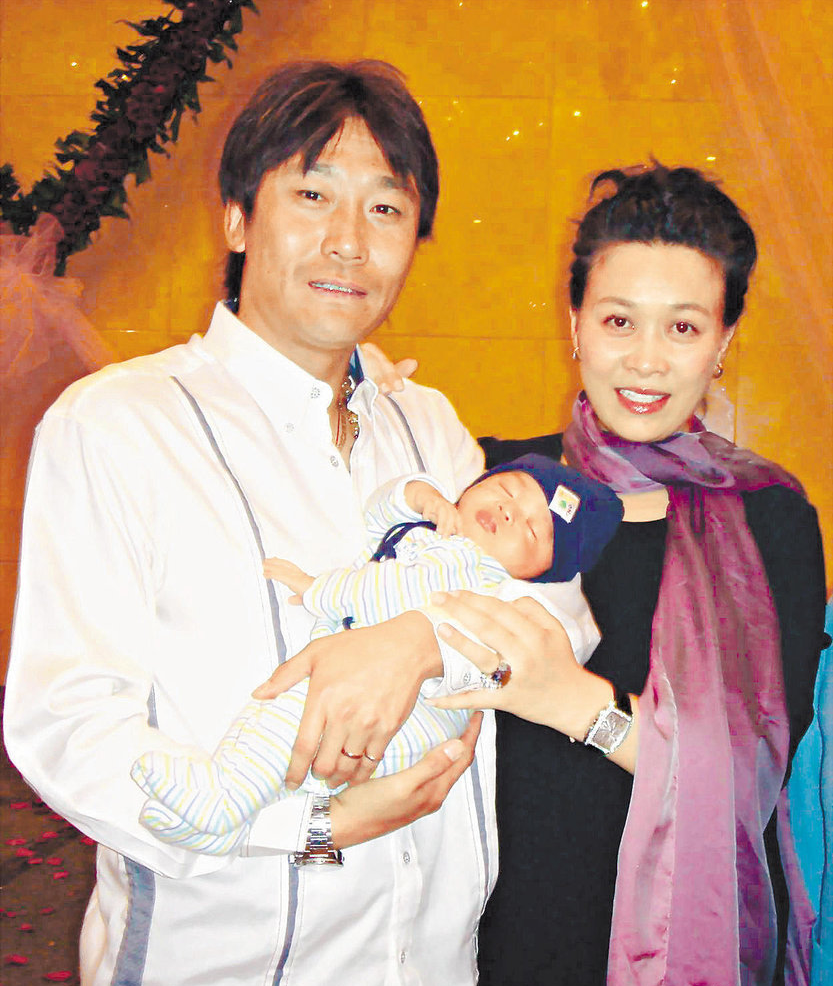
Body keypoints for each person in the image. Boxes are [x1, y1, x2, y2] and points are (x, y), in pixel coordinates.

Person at [5, 60, 512, 986]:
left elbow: (531, 616)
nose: (348, 242)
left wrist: (417, 643)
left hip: (431, 961)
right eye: (312, 195)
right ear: (239, 218)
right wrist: (310, 828)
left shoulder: (429, 426)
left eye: (385, 208)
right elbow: (66, 726)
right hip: (224, 959)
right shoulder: (119, 424)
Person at [422, 164, 827, 985]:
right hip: (495, 940)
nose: (645, 362)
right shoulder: (491, 484)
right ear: (574, 323)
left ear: (722, 343)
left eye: (682, 328)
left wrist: (571, 700)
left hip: (692, 943)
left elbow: (755, 774)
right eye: (617, 321)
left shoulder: (771, 518)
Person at [130, 456, 623, 854]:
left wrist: (318, 590)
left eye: (533, 530)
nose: (510, 511)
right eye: (506, 488)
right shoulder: (430, 537)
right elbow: (378, 517)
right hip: (392, 739)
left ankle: (223, 796)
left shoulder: (477, 573)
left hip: (415, 721)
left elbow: (385, 592)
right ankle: (224, 830)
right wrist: (421, 495)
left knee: (287, 720)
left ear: (538, 573)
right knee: (289, 750)